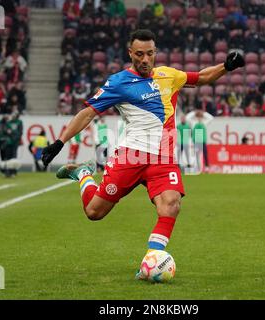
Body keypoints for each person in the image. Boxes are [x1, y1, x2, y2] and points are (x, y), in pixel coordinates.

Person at [41, 29, 244, 279]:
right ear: (130, 53)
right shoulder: (118, 82)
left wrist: (226, 66)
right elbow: (88, 113)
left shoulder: (168, 75)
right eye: (139, 54)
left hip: (163, 158)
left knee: (171, 205)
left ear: (155, 52)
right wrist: (60, 142)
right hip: (130, 157)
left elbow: (201, 77)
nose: (145, 59)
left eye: (149, 53)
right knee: (94, 212)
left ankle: (152, 260)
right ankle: (83, 174)